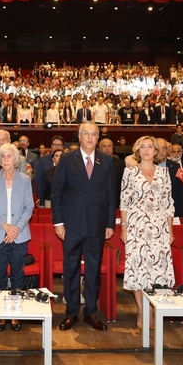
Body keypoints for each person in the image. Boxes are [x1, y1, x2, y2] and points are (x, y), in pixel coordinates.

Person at [52, 122, 115, 332]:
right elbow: (57, 193)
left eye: (93, 134)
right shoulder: (67, 158)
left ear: (98, 137)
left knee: (93, 270)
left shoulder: (106, 160)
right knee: (70, 269)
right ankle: (71, 312)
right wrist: (58, 223)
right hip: (71, 224)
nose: (90, 137)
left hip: (97, 224)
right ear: (79, 137)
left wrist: (109, 223)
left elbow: (110, 195)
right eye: (86, 133)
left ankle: (90, 311)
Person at [119, 136, 175, 330]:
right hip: (137, 227)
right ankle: (142, 310)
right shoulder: (130, 172)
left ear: (156, 151)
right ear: (137, 150)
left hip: (159, 226)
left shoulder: (164, 172)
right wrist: (124, 228)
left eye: (150, 147)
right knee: (138, 269)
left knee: (157, 271)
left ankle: (152, 309)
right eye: (142, 146)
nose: (146, 150)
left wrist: (170, 229)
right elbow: (124, 202)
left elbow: (169, 203)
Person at [0, 143, 34, 332]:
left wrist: (16, 229)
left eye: (9, 156)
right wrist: (5, 226)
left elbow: (29, 207)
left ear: (16, 159)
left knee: (18, 276)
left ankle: (15, 313)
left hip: (20, 235)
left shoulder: (24, 180)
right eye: (2, 156)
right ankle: (1, 314)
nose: (6, 160)